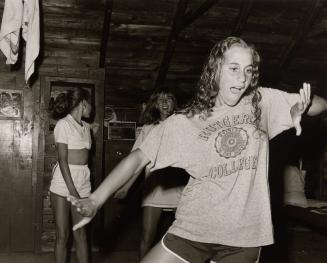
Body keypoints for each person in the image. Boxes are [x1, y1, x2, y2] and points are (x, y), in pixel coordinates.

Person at [68, 37, 327, 263]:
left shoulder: (260, 102)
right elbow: (138, 158)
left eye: (248, 71)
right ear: (214, 70)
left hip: (243, 235)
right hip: (193, 228)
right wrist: (95, 199)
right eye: (234, 68)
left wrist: (300, 109)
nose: (242, 78)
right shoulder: (187, 121)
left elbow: (319, 105)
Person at [114, 89, 189, 258]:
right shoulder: (147, 129)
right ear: (154, 104)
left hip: (178, 186)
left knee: (184, 237)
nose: (165, 102)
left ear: (174, 103)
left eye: (169, 98)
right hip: (154, 186)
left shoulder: (183, 126)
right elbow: (137, 162)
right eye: (160, 99)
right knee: (147, 235)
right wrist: (126, 187)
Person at [49, 88, 98, 263]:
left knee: (81, 233)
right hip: (63, 183)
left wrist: (79, 192)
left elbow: (84, 154)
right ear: (83, 103)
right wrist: (72, 192)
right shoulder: (63, 124)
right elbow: (62, 159)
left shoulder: (87, 127)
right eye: (91, 104)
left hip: (83, 182)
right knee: (63, 234)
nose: (92, 108)